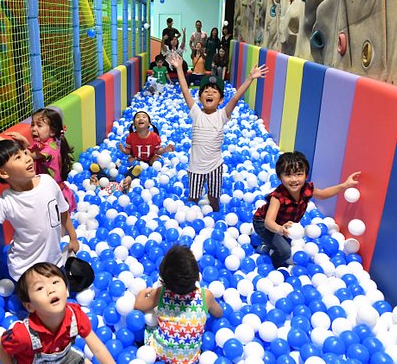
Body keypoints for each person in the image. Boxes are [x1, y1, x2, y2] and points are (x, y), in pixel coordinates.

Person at [167, 53, 268, 212]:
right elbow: (185, 91)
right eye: (206, 91)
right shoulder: (196, 113)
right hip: (196, 166)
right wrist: (179, 68)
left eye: (214, 92)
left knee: (214, 197)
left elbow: (235, 98)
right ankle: (190, 217)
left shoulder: (222, 115)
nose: (209, 93)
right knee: (193, 197)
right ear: (200, 98)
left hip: (215, 166)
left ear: (220, 100)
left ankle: (215, 214)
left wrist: (250, 78)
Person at [0, 139, 79, 281]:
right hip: (26, 270)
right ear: (3, 173)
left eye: (25, 153)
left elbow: (63, 212)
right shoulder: (6, 202)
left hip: (54, 263)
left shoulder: (47, 182)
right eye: (18, 157)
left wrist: (73, 237)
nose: (27, 159)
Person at [253, 151, 361, 268]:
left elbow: (323, 194)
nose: (294, 179)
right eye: (288, 175)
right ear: (280, 177)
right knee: (285, 252)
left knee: (285, 241)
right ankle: (274, 265)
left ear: (306, 175)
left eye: (299, 174)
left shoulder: (307, 189)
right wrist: (280, 229)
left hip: (283, 224)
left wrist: (344, 185)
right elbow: (269, 222)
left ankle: (272, 243)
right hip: (263, 223)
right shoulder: (278, 197)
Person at [0, 262, 114, 364]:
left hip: (65, 358)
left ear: (67, 291)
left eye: (55, 282)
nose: (51, 290)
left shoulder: (75, 315)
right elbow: (0, 344)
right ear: (30, 306)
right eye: (40, 288)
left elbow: (98, 348)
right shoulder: (23, 334)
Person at [134, 245, 223, 364]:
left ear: (163, 280)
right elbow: (218, 313)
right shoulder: (205, 296)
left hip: (159, 354)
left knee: (149, 326)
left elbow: (139, 306)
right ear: (197, 276)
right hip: (190, 359)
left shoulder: (162, 293)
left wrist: (143, 292)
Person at [0, 108, 77, 212]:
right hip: (47, 190)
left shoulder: (49, 149)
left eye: (39, 125)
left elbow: (29, 155)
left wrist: (2, 141)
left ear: (52, 131)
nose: (33, 128)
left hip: (54, 193)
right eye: (32, 124)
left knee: (56, 222)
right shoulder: (45, 143)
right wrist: (25, 142)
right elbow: (31, 154)